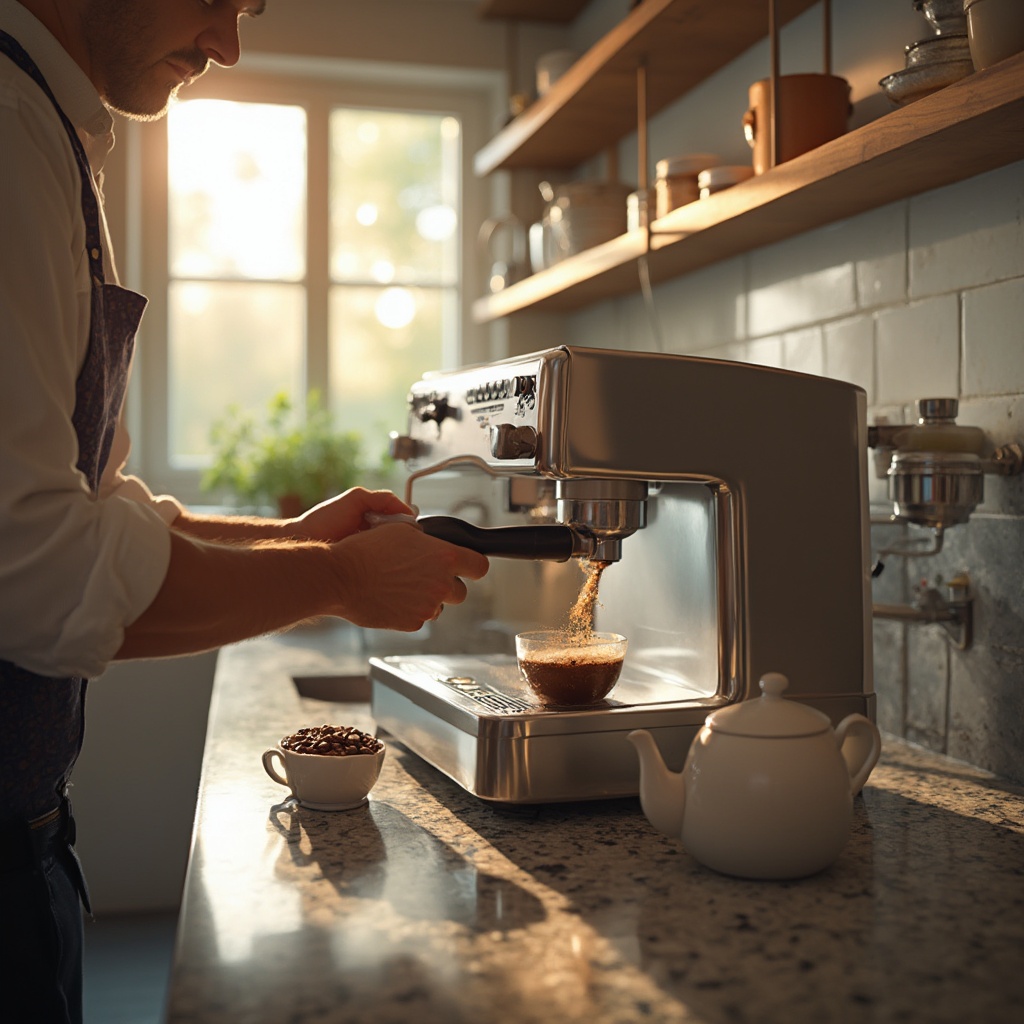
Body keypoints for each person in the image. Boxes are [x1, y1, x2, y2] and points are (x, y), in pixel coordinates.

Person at [0, 2, 490, 1021]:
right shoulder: (6, 128)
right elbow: (36, 568)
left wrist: (305, 537)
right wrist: (338, 578)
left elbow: (98, 508)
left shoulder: (51, 126)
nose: (229, 42)